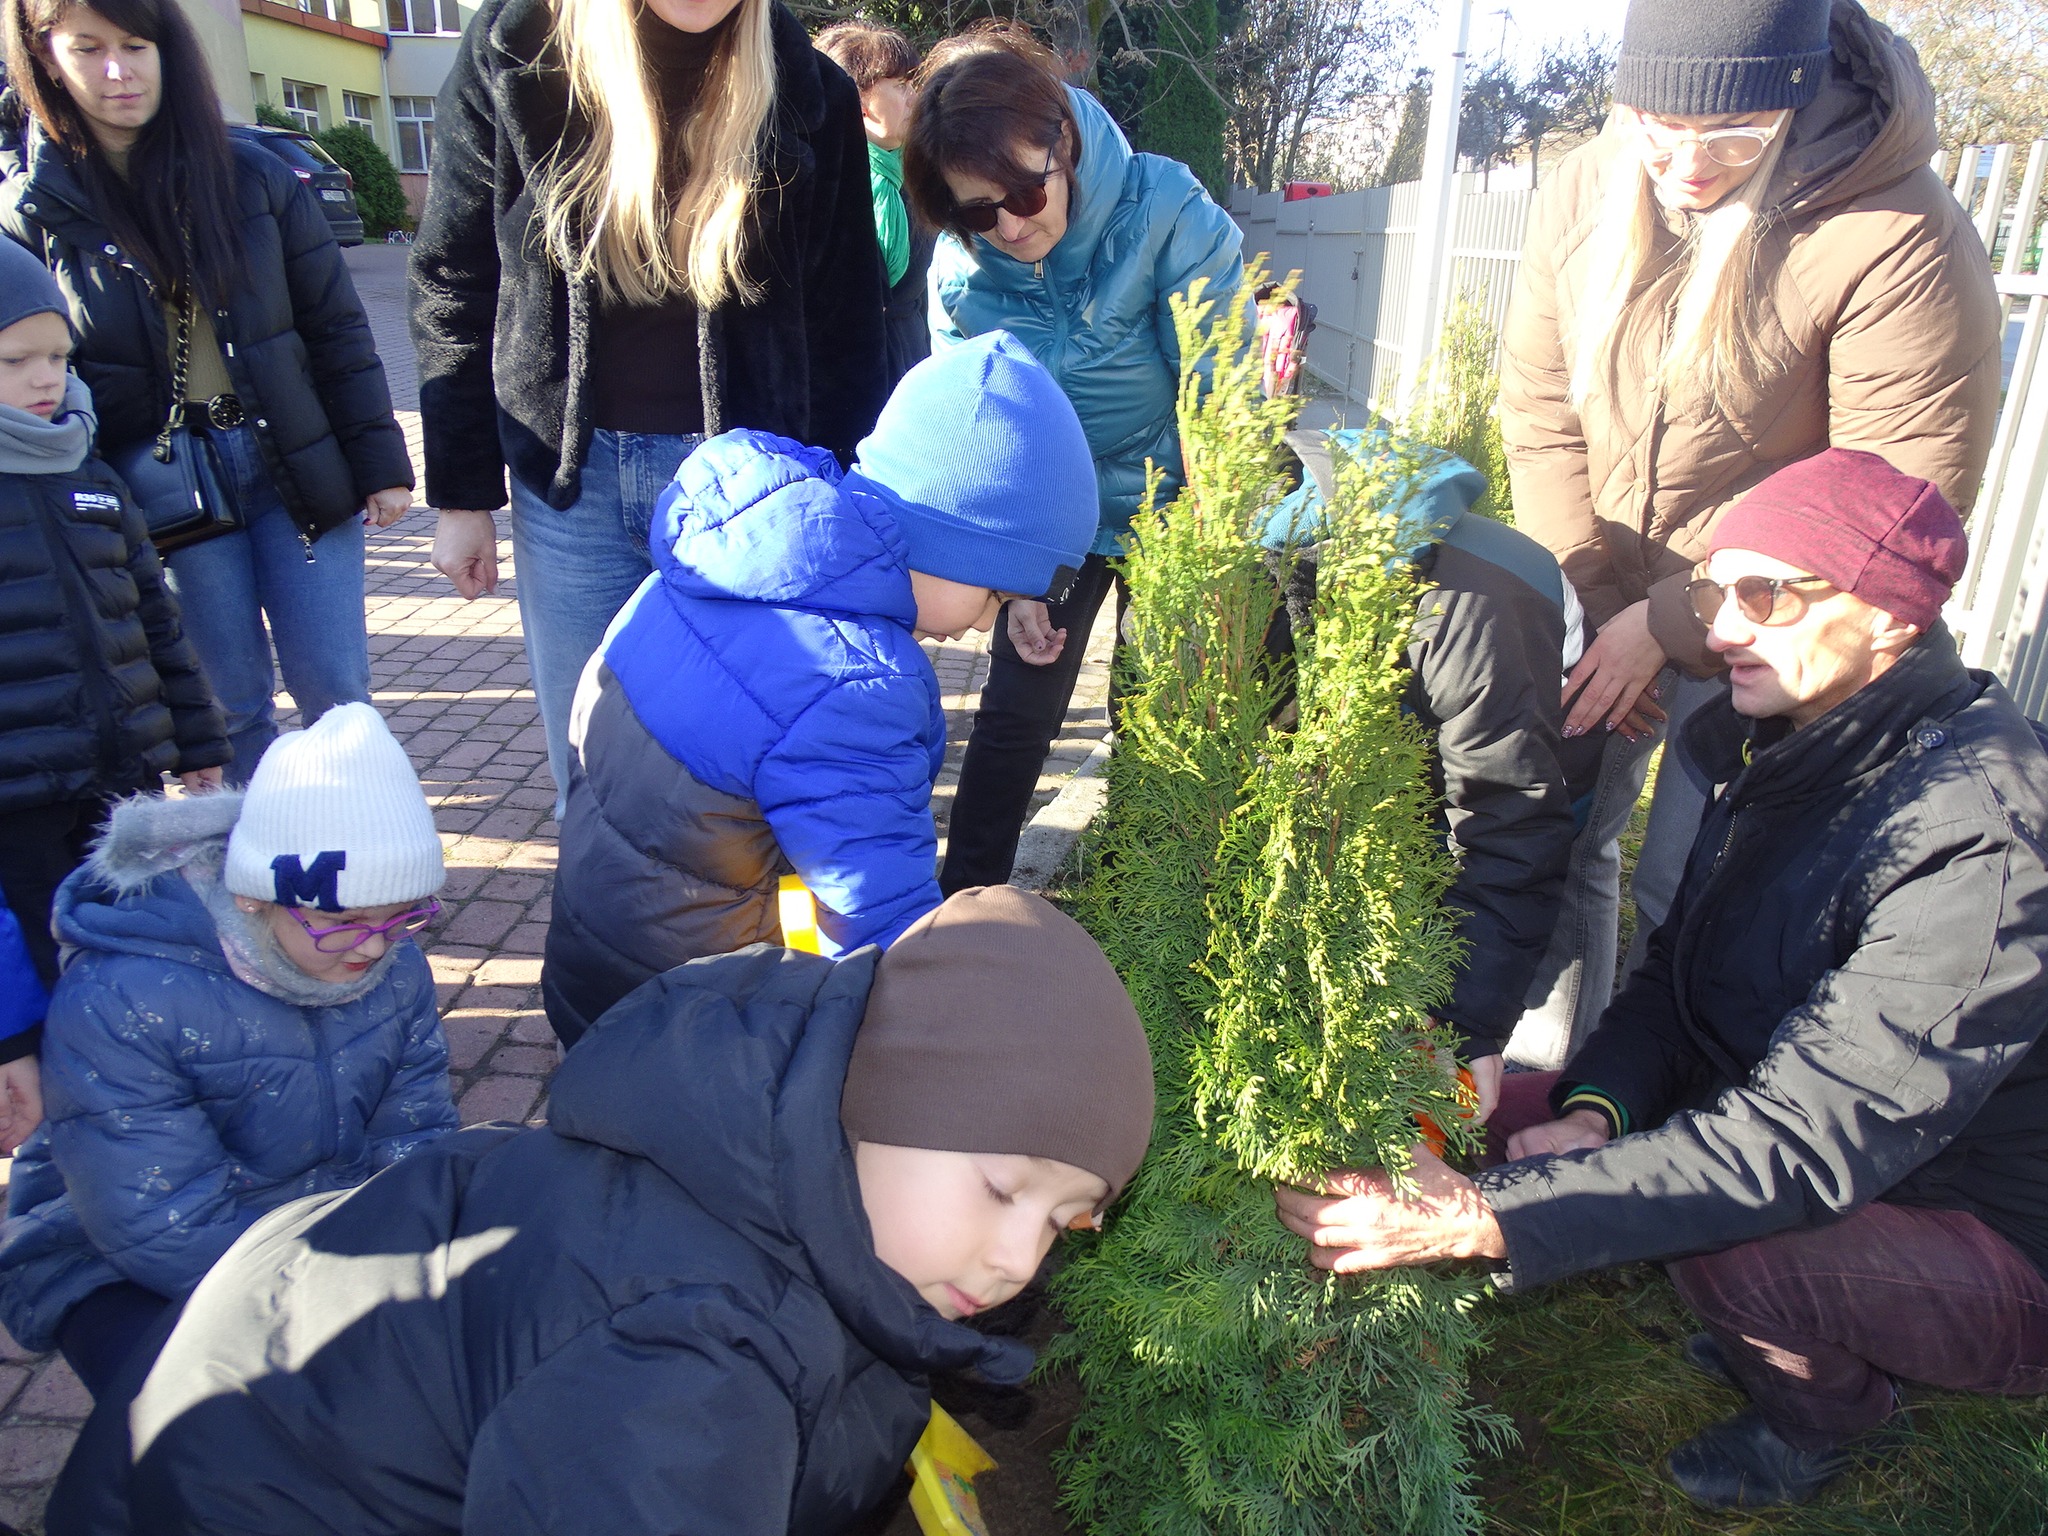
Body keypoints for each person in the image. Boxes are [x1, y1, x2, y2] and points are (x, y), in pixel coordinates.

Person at [1274, 450, 2048, 1510]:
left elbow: (1802, 1147)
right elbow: (1676, 981)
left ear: (1887, 617)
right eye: (1712, 592)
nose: (1719, 631)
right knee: (1470, 1124)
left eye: (1765, 595)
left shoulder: (1979, 841)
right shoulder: (1791, 743)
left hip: (1989, 1228)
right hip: (1817, 1140)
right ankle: (1791, 1310)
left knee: (1728, 1242)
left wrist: (1486, 1219)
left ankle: (1834, 1419)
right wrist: (1593, 1113)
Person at [49, 886, 1155, 1535]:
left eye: (1064, 1224)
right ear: (874, 1098)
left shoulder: (759, 1192)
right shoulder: (691, 1345)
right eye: (1002, 1189)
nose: (1017, 1261)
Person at [1498, 0, 2001, 1063]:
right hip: (1604, 589)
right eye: (1659, 129)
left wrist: (1667, 623)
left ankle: (1663, 1126)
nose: (1688, 167)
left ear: (1791, 98)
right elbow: (1541, 417)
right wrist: (1596, 607)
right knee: (1559, 845)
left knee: (1698, 889)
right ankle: (1556, 1092)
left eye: (1732, 137)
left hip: (1778, 618)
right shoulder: (1587, 186)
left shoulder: (1893, 231)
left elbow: (1887, 511)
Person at [543, 331, 1097, 1045]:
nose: (986, 623)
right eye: (995, 594)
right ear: (951, 546)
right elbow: (881, 925)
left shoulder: (721, 560)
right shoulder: (855, 683)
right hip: (706, 1032)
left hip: (596, 970)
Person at [413, 0, 889, 815]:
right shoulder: (517, 52)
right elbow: (452, 276)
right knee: (592, 781)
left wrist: (849, 502)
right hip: (571, 487)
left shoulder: (810, 89)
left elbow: (849, 317)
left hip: (750, 495)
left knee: (742, 779)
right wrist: (462, 496)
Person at [0, 0, 413, 783]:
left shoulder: (253, 174)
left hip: (294, 463)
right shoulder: (32, 209)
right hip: (162, 491)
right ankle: (249, 857)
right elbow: (34, 375)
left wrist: (381, 463)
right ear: (46, 57)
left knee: (337, 694)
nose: (118, 71)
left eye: (136, 45)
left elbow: (335, 327)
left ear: (169, 51)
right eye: (88, 48)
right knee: (229, 707)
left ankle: (359, 857)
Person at [0, 701, 458, 1401]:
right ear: (252, 897)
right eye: (342, 920)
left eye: (402, 916)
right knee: (239, 1421)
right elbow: (162, 1223)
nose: (373, 947)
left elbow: (415, 1133)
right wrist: (338, 1300)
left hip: (317, 1231)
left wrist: (417, 1250)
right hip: (119, 1259)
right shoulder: (126, 1000)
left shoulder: (397, 966)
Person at [902, 23, 1244, 894]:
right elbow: (981, 439)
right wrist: (1015, 583)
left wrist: (1206, 554)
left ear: (1063, 140)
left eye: (1026, 190)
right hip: (1053, 515)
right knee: (1017, 707)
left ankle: (1134, 902)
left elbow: (1218, 388)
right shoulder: (960, 273)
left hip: (1173, 501)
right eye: (979, 210)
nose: (1012, 225)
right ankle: (964, 906)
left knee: (1156, 707)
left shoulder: (1166, 207)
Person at [1267, 429, 1597, 1112]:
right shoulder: (1253, 581)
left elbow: (1512, 817)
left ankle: (1536, 1068)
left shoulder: (1471, 619)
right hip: (1424, 700)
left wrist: (1469, 1025)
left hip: (1559, 709)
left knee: (1556, 871)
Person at [0, 234, 226, 1150]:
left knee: (133, 950)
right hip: (18, 803)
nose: (45, 379)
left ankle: (143, 1106)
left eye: (59, 356)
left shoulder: (90, 475)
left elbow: (156, 623)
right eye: (15, 361)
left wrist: (198, 742)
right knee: (43, 973)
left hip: (118, 784)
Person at [815, 20, 933, 387]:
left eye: (912, 83)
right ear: (860, 102)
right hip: (859, 379)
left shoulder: (914, 173)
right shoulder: (829, 187)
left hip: (914, 363)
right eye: (900, 85)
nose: (914, 97)